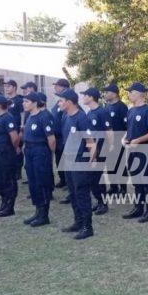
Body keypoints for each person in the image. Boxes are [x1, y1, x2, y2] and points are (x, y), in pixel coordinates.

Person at [58, 89, 95, 240]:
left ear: (69, 102)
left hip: (80, 161)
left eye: (61, 100)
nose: (59, 103)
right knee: (73, 193)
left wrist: (91, 163)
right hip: (68, 160)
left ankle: (87, 227)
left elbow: (91, 143)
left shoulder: (81, 117)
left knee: (82, 193)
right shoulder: (65, 117)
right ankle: (78, 222)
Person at [122, 83, 148, 222]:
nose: (129, 94)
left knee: (147, 182)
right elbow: (130, 130)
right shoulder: (130, 110)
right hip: (132, 152)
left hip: (145, 152)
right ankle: (138, 208)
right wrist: (126, 139)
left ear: (139, 93)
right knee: (136, 181)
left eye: (131, 92)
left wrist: (138, 140)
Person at [22, 92, 56, 227]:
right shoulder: (30, 116)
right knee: (33, 181)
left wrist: (49, 155)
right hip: (29, 150)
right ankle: (38, 211)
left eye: (27, 101)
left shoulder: (44, 116)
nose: (24, 103)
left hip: (40, 151)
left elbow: (51, 140)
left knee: (42, 182)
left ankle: (44, 215)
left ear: (35, 103)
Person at [0, 95, 20, 217]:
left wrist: (14, 148)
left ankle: (10, 206)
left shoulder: (8, 118)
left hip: (5, 153)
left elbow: (15, 138)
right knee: (0, 179)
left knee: (8, 179)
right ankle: (3, 203)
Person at [82, 87, 109, 216]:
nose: (83, 97)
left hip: (100, 148)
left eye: (85, 95)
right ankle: (99, 201)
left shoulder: (102, 112)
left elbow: (109, 131)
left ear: (91, 97)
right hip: (91, 148)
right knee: (92, 177)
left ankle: (103, 204)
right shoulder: (88, 113)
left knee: (97, 177)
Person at [102, 82, 129, 196]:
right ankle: (113, 187)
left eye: (107, 92)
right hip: (108, 140)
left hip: (119, 140)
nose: (105, 94)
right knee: (110, 164)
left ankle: (123, 188)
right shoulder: (106, 106)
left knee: (120, 164)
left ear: (114, 94)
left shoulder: (122, 107)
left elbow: (127, 126)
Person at [51, 78, 70, 189]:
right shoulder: (59, 102)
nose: (55, 87)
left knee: (66, 161)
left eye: (57, 86)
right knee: (59, 160)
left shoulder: (68, 102)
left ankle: (68, 181)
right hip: (57, 137)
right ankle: (63, 179)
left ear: (64, 87)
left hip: (64, 137)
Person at [3, 80, 24, 181]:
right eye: (5, 86)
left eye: (9, 86)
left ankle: (18, 171)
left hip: (16, 129)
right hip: (7, 130)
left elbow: (22, 114)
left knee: (17, 150)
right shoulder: (5, 100)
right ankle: (11, 170)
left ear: (14, 87)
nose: (6, 88)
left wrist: (21, 128)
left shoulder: (19, 100)